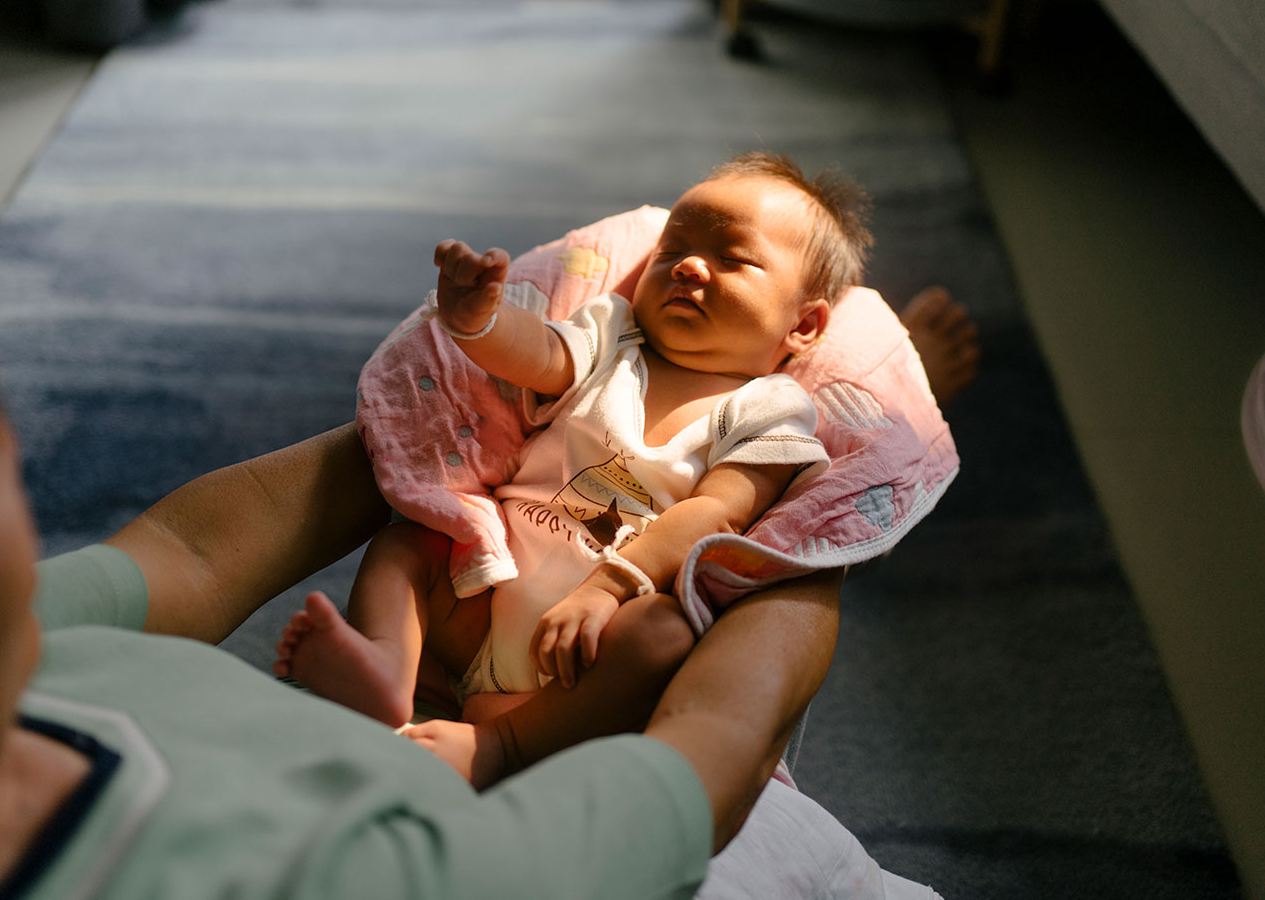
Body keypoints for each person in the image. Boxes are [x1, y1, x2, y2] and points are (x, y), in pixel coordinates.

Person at [0, 208, 962, 899]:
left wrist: (432, 447)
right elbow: (707, 749)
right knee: (795, 842)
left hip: (599, 609)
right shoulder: (426, 877)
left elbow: (186, 547)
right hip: (569, 736)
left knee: (656, 625)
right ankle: (446, 711)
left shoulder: (25, 639)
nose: (686, 267)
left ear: (803, 329)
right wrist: (846, 512)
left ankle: (439, 716)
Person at [273, 154, 872, 787]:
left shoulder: (771, 410)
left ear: (803, 324)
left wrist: (606, 589)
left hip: (587, 646)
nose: (690, 266)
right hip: (479, 594)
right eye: (673, 251)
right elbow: (542, 356)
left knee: (664, 637)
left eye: (732, 259)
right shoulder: (616, 336)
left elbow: (717, 511)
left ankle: (502, 742)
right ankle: (388, 670)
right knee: (407, 543)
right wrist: (482, 322)